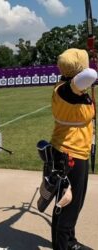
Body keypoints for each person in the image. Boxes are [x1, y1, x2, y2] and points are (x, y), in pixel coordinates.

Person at [50, 48, 97, 250]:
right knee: (71, 204)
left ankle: (66, 242)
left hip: (69, 150)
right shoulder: (68, 89)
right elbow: (91, 75)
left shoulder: (72, 89)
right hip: (71, 153)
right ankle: (65, 246)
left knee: (64, 202)